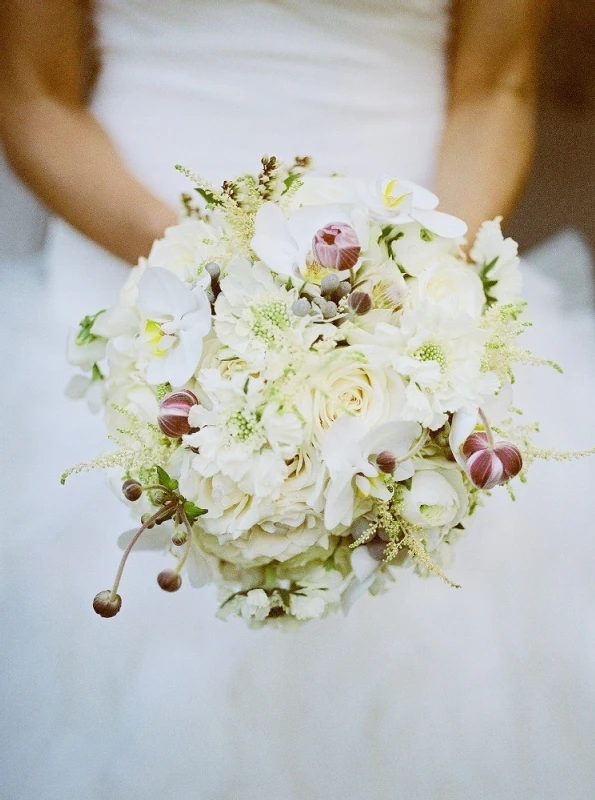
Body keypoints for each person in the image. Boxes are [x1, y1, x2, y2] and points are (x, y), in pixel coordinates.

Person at [1, 1, 595, 798]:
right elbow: (34, 93)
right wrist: (209, 272)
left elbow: (497, 86)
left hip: (400, 302)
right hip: (131, 289)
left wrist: (420, 287)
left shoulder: (412, 296)